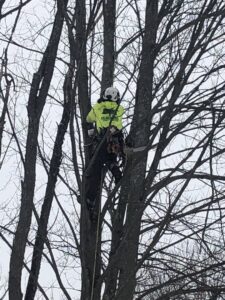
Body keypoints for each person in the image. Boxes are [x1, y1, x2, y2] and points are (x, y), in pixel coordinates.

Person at [85, 86, 125, 209]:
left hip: (102, 141)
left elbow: (88, 119)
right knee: (111, 159)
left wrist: (91, 129)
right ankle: (116, 171)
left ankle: (90, 198)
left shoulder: (98, 108)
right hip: (114, 140)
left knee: (96, 169)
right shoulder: (119, 108)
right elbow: (118, 124)